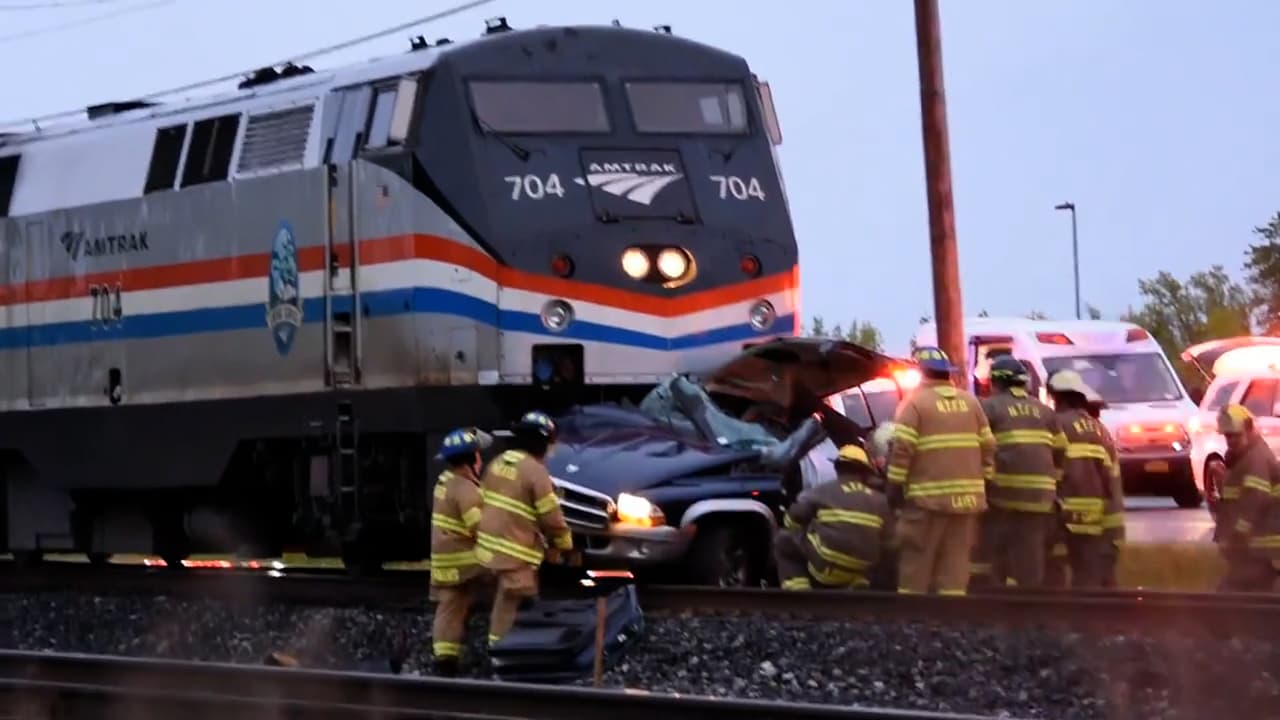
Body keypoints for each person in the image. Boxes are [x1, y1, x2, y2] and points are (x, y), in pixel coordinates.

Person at [887, 346, 996, 595]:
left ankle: (912, 618)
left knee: (916, 561)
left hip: (927, 502)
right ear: (948, 374)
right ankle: (950, 619)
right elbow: (989, 445)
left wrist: (893, 489)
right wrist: (984, 481)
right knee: (956, 565)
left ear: (921, 372)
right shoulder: (971, 402)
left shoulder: (914, 405)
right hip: (968, 501)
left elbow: (902, 451)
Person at [474, 410, 573, 646]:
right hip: (514, 557)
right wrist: (564, 544)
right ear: (543, 443)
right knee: (513, 608)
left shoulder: (498, 462)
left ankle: (508, 648)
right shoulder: (535, 472)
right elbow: (551, 517)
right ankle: (503, 656)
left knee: (507, 602)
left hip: (487, 551)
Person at [977, 355, 1066, 588]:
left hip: (1002, 495)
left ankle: (995, 597)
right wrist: (1050, 481)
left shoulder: (989, 407)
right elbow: (1061, 449)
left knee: (993, 547)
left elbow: (978, 447)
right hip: (1041, 497)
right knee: (1031, 552)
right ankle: (1030, 604)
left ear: (995, 382)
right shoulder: (1045, 412)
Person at [774, 443, 895, 590]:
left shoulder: (821, 492)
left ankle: (799, 591)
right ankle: (857, 580)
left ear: (837, 468)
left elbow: (792, 520)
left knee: (784, 539)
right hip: (864, 565)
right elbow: (890, 541)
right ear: (865, 471)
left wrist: (804, 532)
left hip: (827, 566)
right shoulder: (880, 500)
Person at [428, 426, 493, 677]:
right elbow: (480, 527)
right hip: (464, 563)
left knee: (450, 608)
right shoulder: (465, 489)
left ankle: (445, 660)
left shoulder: (444, 483)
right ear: (471, 459)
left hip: (445, 564)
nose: (481, 459)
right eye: (479, 455)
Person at [1046, 369, 1113, 588]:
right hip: (1093, 513)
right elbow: (1110, 475)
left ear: (1056, 396)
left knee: (1053, 569)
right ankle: (1088, 619)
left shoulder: (1056, 424)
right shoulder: (1099, 429)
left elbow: (1049, 467)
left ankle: (1057, 615)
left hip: (1061, 512)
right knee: (1086, 574)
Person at [1213, 404, 1279, 592]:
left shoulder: (1255, 458)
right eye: (1227, 436)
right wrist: (1222, 482)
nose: (1231, 441)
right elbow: (1238, 500)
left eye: (1236, 435)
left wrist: (1238, 535)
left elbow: (1255, 499)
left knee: (1230, 593)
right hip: (1256, 549)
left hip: (1258, 548)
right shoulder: (1244, 458)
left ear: (1249, 430)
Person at [1085, 386, 1125, 588]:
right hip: (1112, 519)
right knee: (1106, 575)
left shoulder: (1092, 435)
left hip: (1102, 520)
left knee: (1096, 576)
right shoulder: (1102, 432)